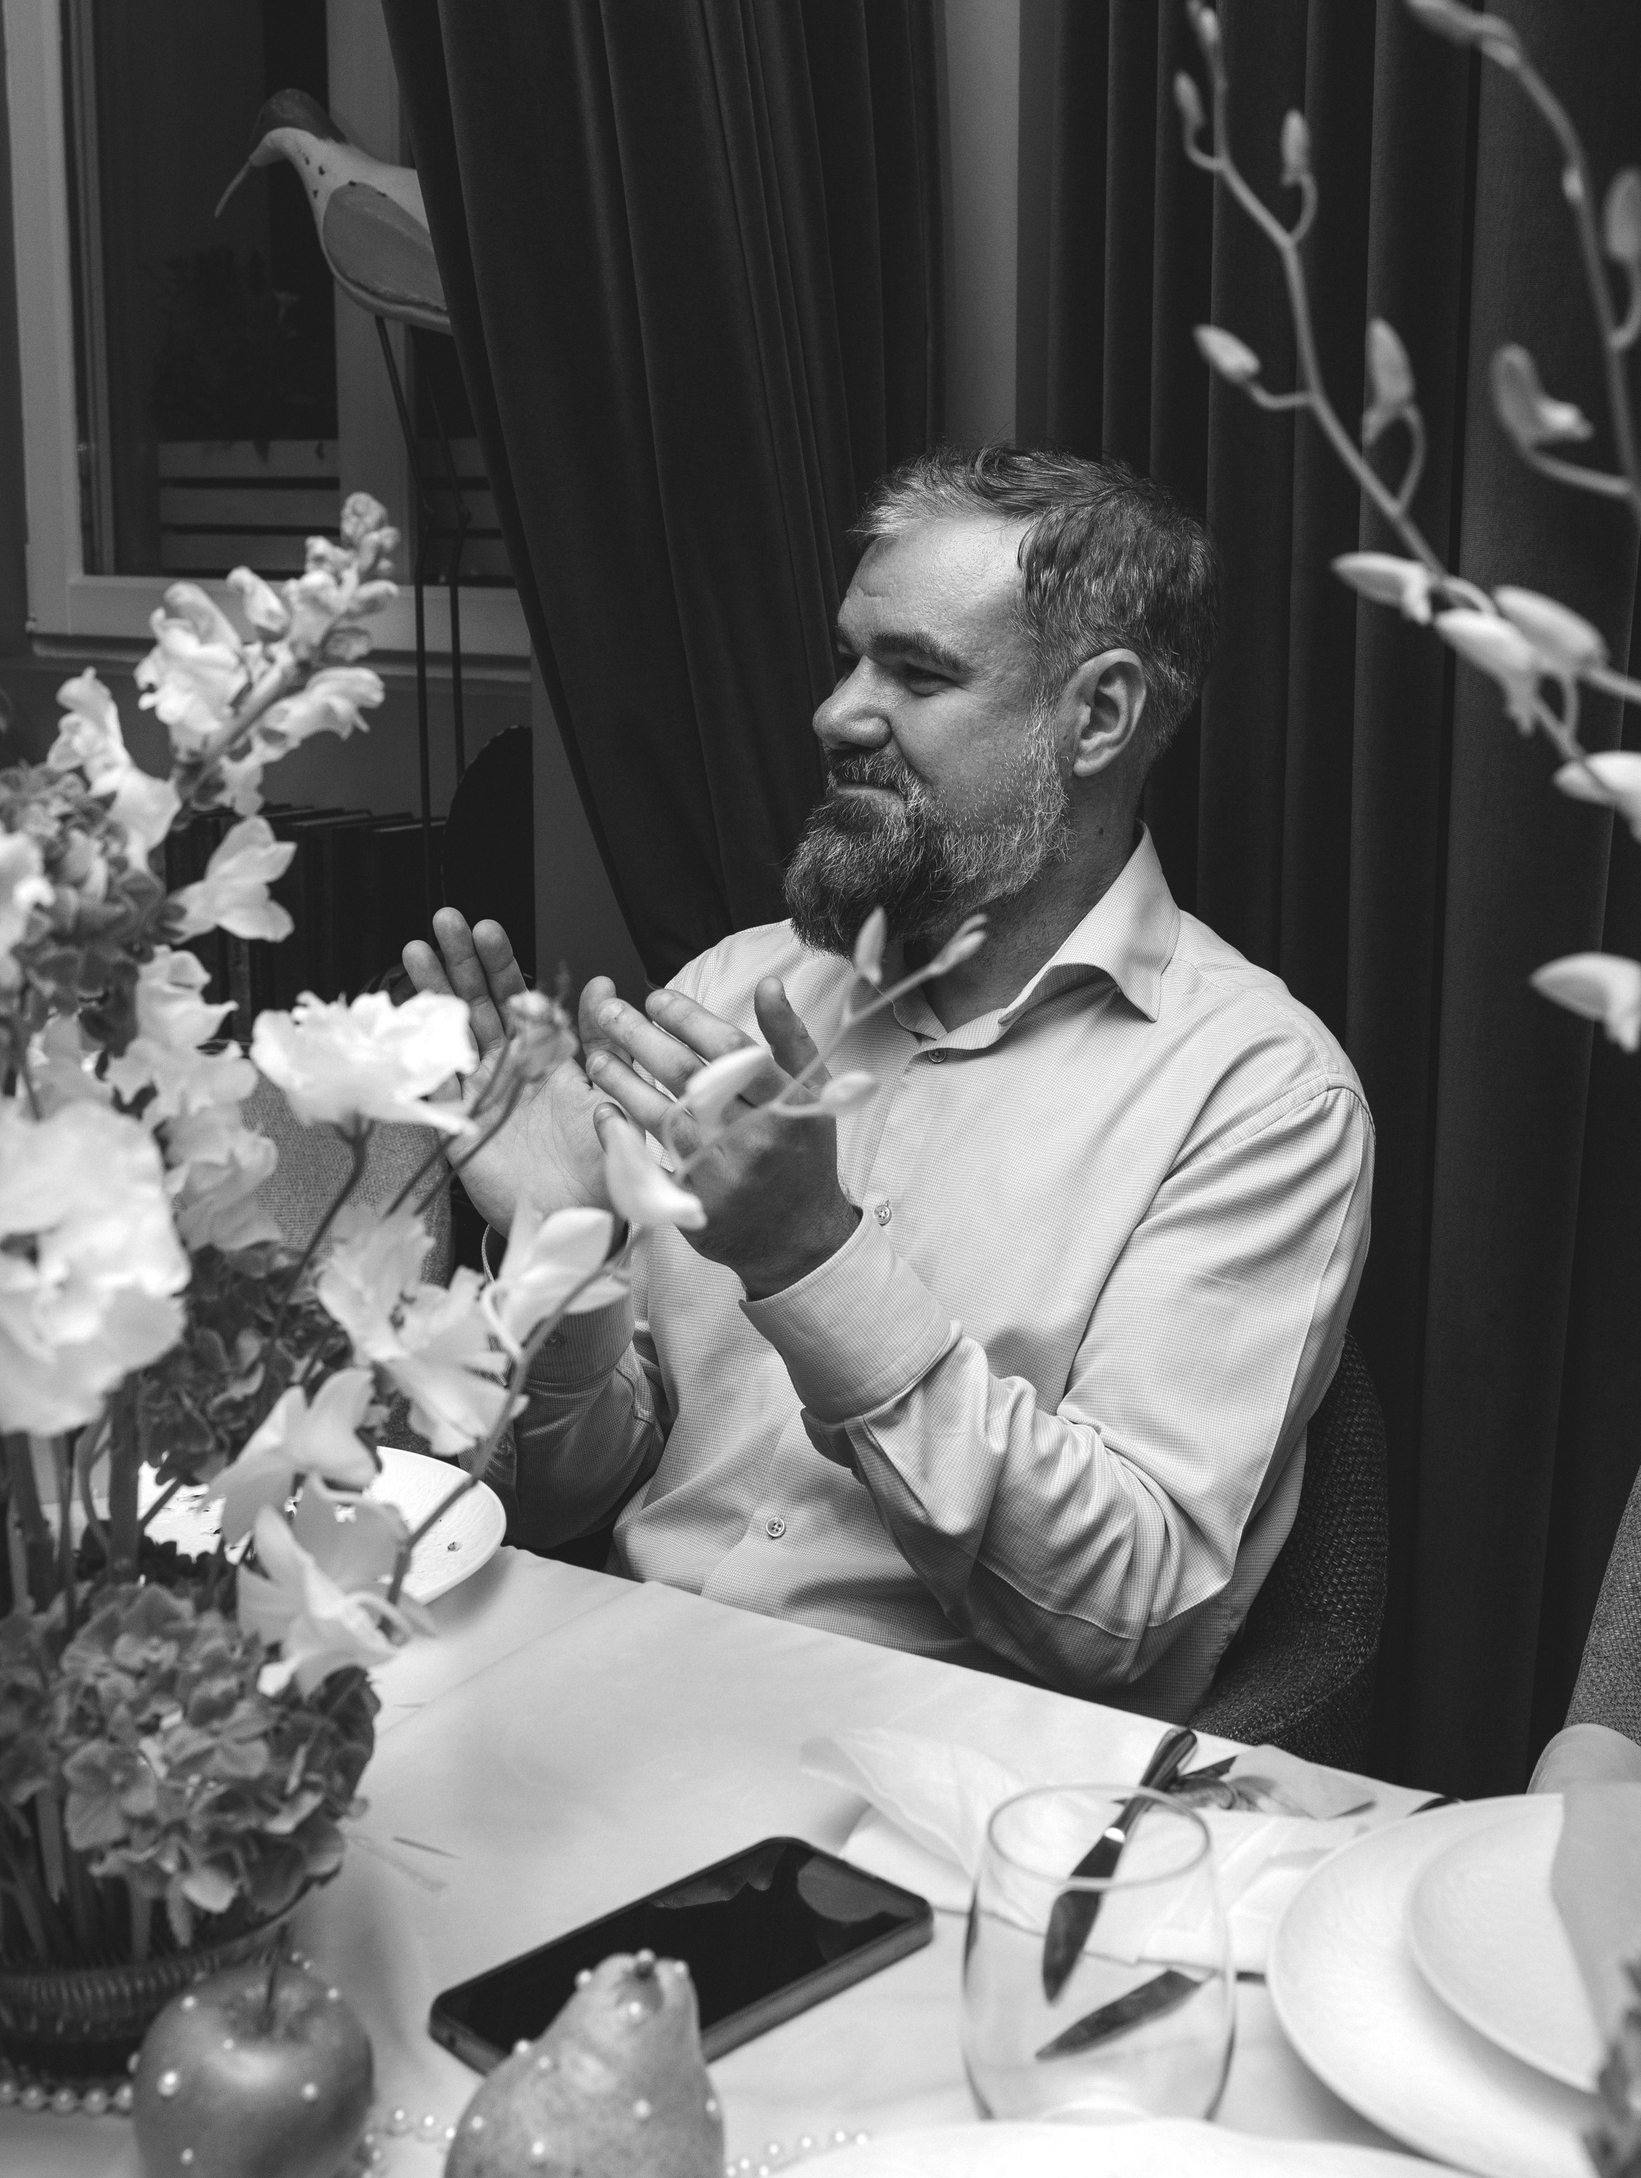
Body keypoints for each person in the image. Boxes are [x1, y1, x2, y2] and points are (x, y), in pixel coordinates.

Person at [406, 445, 1372, 1717]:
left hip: (937, 1784)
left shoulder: (1260, 1097)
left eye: (917, 673)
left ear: (1097, 717)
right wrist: (560, 1256)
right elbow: (557, 1499)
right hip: (615, 1701)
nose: (837, 714)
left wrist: (810, 1256)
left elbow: (1113, 1612)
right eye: (849, 659)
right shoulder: (732, 991)